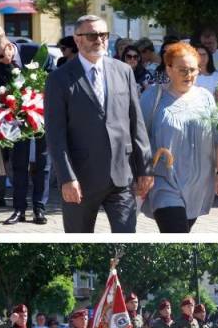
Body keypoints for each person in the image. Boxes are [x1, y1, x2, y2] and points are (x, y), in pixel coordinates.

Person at [45, 14, 154, 233]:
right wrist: (66, 178)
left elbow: (136, 122)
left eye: (103, 35)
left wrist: (145, 168)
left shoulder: (123, 71)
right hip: (81, 178)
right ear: (77, 39)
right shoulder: (59, 78)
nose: (99, 40)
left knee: (126, 236)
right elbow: (56, 134)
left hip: (121, 176)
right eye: (92, 35)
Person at [141, 42, 218, 232]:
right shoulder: (152, 97)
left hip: (198, 185)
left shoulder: (206, 98)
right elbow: (139, 139)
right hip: (164, 182)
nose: (188, 75)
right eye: (182, 70)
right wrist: (142, 173)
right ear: (169, 69)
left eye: (193, 70)